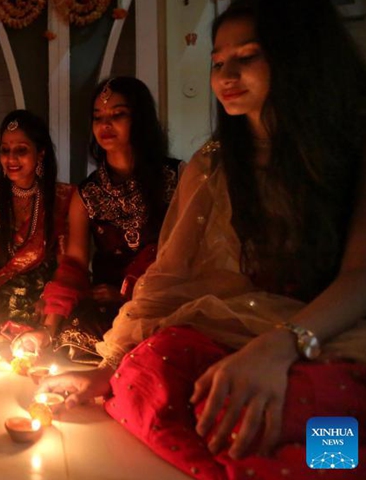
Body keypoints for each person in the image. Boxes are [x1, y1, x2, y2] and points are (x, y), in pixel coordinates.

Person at [39, 0, 366, 478]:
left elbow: (360, 276)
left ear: (298, 56)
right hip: (220, 324)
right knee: (146, 376)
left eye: (247, 56)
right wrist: (108, 366)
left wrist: (279, 347)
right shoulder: (210, 165)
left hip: (329, 333)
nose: (227, 74)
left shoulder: (348, 150)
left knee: (318, 420)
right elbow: (168, 274)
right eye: (216, 63)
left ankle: (302, 456)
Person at [13, 77, 181, 362]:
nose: (105, 125)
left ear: (139, 119)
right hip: (107, 308)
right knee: (75, 339)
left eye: (118, 115)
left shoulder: (176, 178)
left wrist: (128, 291)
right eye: (98, 117)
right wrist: (48, 328)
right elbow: (75, 264)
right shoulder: (87, 194)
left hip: (163, 300)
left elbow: (184, 255)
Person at [0, 110, 74, 349]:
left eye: (21, 150)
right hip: (0, 295)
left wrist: (48, 300)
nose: (11, 159)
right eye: (5, 150)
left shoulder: (60, 199)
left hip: (46, 297)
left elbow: (65, 267)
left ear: (41, 153)